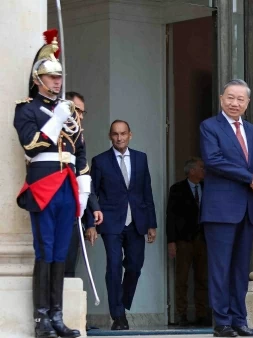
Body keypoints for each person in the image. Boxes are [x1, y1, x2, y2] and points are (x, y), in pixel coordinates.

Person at [13, 29, 88, 338]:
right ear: (37, 79)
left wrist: (85, 189)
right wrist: (56, 118)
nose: (57, 82)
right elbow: (30, 144)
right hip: (43, 185)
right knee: (45, 249)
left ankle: (57, 316)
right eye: (50, 76)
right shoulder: (26, 109)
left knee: (61, 251)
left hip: (67, 186)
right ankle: (41, 318)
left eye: (59, 77)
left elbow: (79, 151)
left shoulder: (69, 112)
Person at [199, 79, 253, 337]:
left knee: (240, 269)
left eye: (240, 99)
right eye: (230, 97)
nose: (235, 103)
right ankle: (222, 323)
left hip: (247, 210)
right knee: (220, 269)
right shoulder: (209, 127)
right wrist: (248, 178)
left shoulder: (251, 131)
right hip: (220, 210)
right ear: (221, 98)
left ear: (247, 103)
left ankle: (240, 320)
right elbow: (213, 160)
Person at [89, 119, 158, 330]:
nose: (119, 137)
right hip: (110, 223)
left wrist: (151, 224)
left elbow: (147, 191)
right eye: (115, 134)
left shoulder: (140, 158)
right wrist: (91, 223)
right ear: (110, 136)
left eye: (123, 133)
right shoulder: (100, 161)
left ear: (130, 135)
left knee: (135, 266)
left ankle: (122, 302)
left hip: (136, 221)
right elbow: (92, 194)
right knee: (114, 266)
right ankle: (118, 316)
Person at [63, 91, 103, 278]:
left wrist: (93, 207)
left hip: (73, 208)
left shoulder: (79, 138)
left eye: (82, 112)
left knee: (70, 262)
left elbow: (84, 174)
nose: (79, 116)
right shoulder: (54, 132)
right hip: (53, 202)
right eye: (76, 110)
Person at [166, 157, 210, 326]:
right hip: (183, 240)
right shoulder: (177, 189)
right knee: (182, 279)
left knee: (202, 278)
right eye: (201, 167)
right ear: (191, 171)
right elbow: (171, 216)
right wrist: (171, 241)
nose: (204, 170)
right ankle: (181, 314)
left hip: (203, 240)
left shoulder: (208, 187)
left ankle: (202, 313)